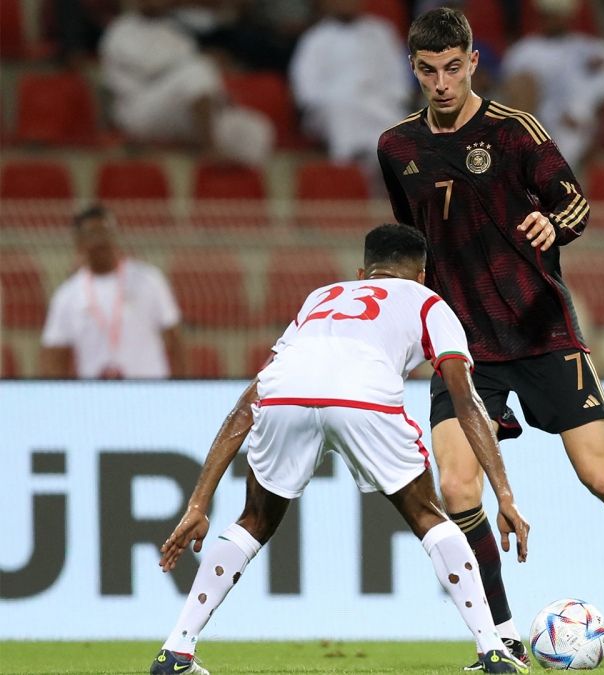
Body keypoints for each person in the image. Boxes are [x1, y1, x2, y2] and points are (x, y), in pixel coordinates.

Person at [377, 8, 604, 668]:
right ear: (413, 68)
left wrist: (554, 226)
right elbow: (414, 241)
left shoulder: (514, 131)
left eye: (453, 68)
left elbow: (575, 203)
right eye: (428, 70)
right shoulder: (397, 148)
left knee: (602, 476)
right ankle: (500, 640)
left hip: (542, 330)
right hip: (464, 346)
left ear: (473, 63)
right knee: (458, 488)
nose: (441, 83)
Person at [148, 224, 531, 675]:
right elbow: (465, 399)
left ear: (362, 272)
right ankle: (493, 651)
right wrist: (504, 495)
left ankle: (176, 650)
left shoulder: (321, 297)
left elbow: (247, 403)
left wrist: (198, 503)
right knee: (430, 516)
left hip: (284, 395)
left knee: (253, 521)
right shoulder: (429, 301)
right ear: (422, 275)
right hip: (362, 396)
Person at [99, 0, 273, 166]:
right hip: (138, 108)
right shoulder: (121, 29)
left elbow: (196, 79)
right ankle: (209, 148)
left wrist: (219, 97)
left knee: (254, 129)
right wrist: (196, 65)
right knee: (197, 69)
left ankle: (225, 180)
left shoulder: (174, 29)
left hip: (178, 110)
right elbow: (154, 70)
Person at [41, 205, 182, 379]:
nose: (101, 240)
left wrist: (180, 388)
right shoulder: (67, 295)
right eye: (93, 234)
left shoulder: (149, 280)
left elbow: (175, 340)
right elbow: (54, 356)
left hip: (149, 389)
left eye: (106, 232)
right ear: (79, 241)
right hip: (96, 394)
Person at [291, 0, 413, 167]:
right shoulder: (316, 37)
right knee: (342, 114)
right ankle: (347, 169)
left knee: (399, 125)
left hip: (379, 103)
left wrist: (388, 98)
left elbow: (398, 77)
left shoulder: (381, 32)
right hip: (331, 107)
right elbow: (306, 88)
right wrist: (340, 98)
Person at [501, 0, 604, 168]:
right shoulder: (522, 52)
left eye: (557, 13)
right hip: (536, 134)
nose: (552, 17)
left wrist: (596, 140)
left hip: (578, 135)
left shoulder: (592, 50)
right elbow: (511, 102)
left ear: (569, 15)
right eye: (548, 13)